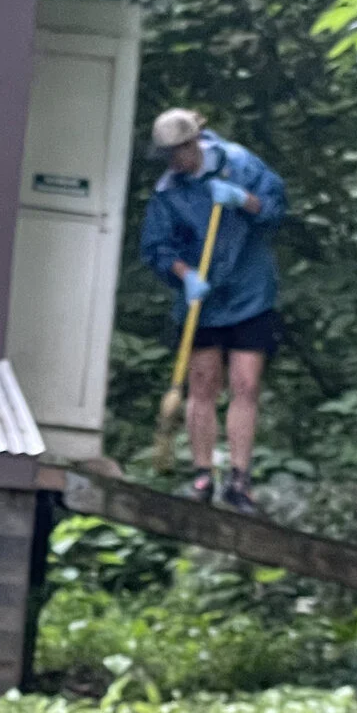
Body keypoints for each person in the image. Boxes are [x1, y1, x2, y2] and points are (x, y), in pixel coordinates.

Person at [139, 107, 287, 513]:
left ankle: (240, 481)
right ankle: (203, 474)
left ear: (192, 144)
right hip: (203, 301)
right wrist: (185, 275)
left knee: (246, 384)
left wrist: (243, 200)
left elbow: (276, 209)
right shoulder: (169, 191)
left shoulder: (238, 164)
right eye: (166, 155)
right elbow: (156, 247)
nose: (173, 162)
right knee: (202, 384)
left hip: (250, 290)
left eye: (177, 152)